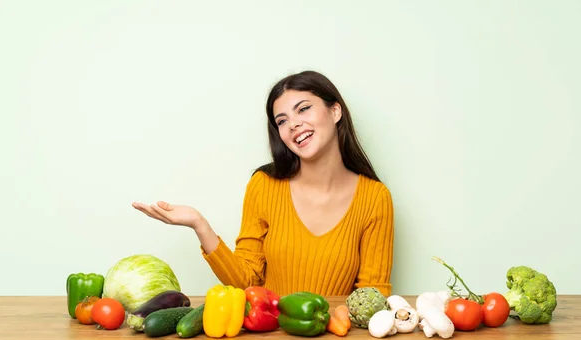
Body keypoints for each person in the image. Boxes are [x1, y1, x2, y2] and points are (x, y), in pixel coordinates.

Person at [132, 70, 394, 297]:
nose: (293, 124)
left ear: (335, 111)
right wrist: (200, 225)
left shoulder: (374, 197)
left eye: (303, 109)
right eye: (282, 120)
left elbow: (372, 295)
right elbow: (247, 282)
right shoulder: (264, 185)